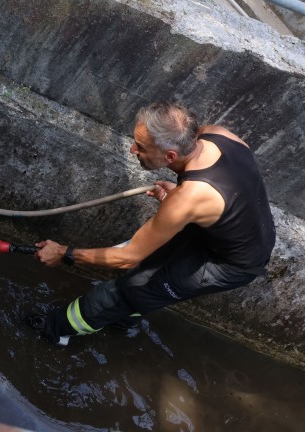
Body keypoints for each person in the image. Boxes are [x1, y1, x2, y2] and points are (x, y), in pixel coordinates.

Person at [26, 101, 276, 346]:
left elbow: (127, 257)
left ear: (170, 155)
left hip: (230, 264)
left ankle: (53, 331)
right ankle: (122, 321)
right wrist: (182, 197)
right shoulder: (217, 135)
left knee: (130, 288)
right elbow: (230, 192)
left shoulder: (189, 198)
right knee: (145, 274)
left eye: (142, 147)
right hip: (232, 234)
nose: (133, 150)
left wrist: (63, 253)